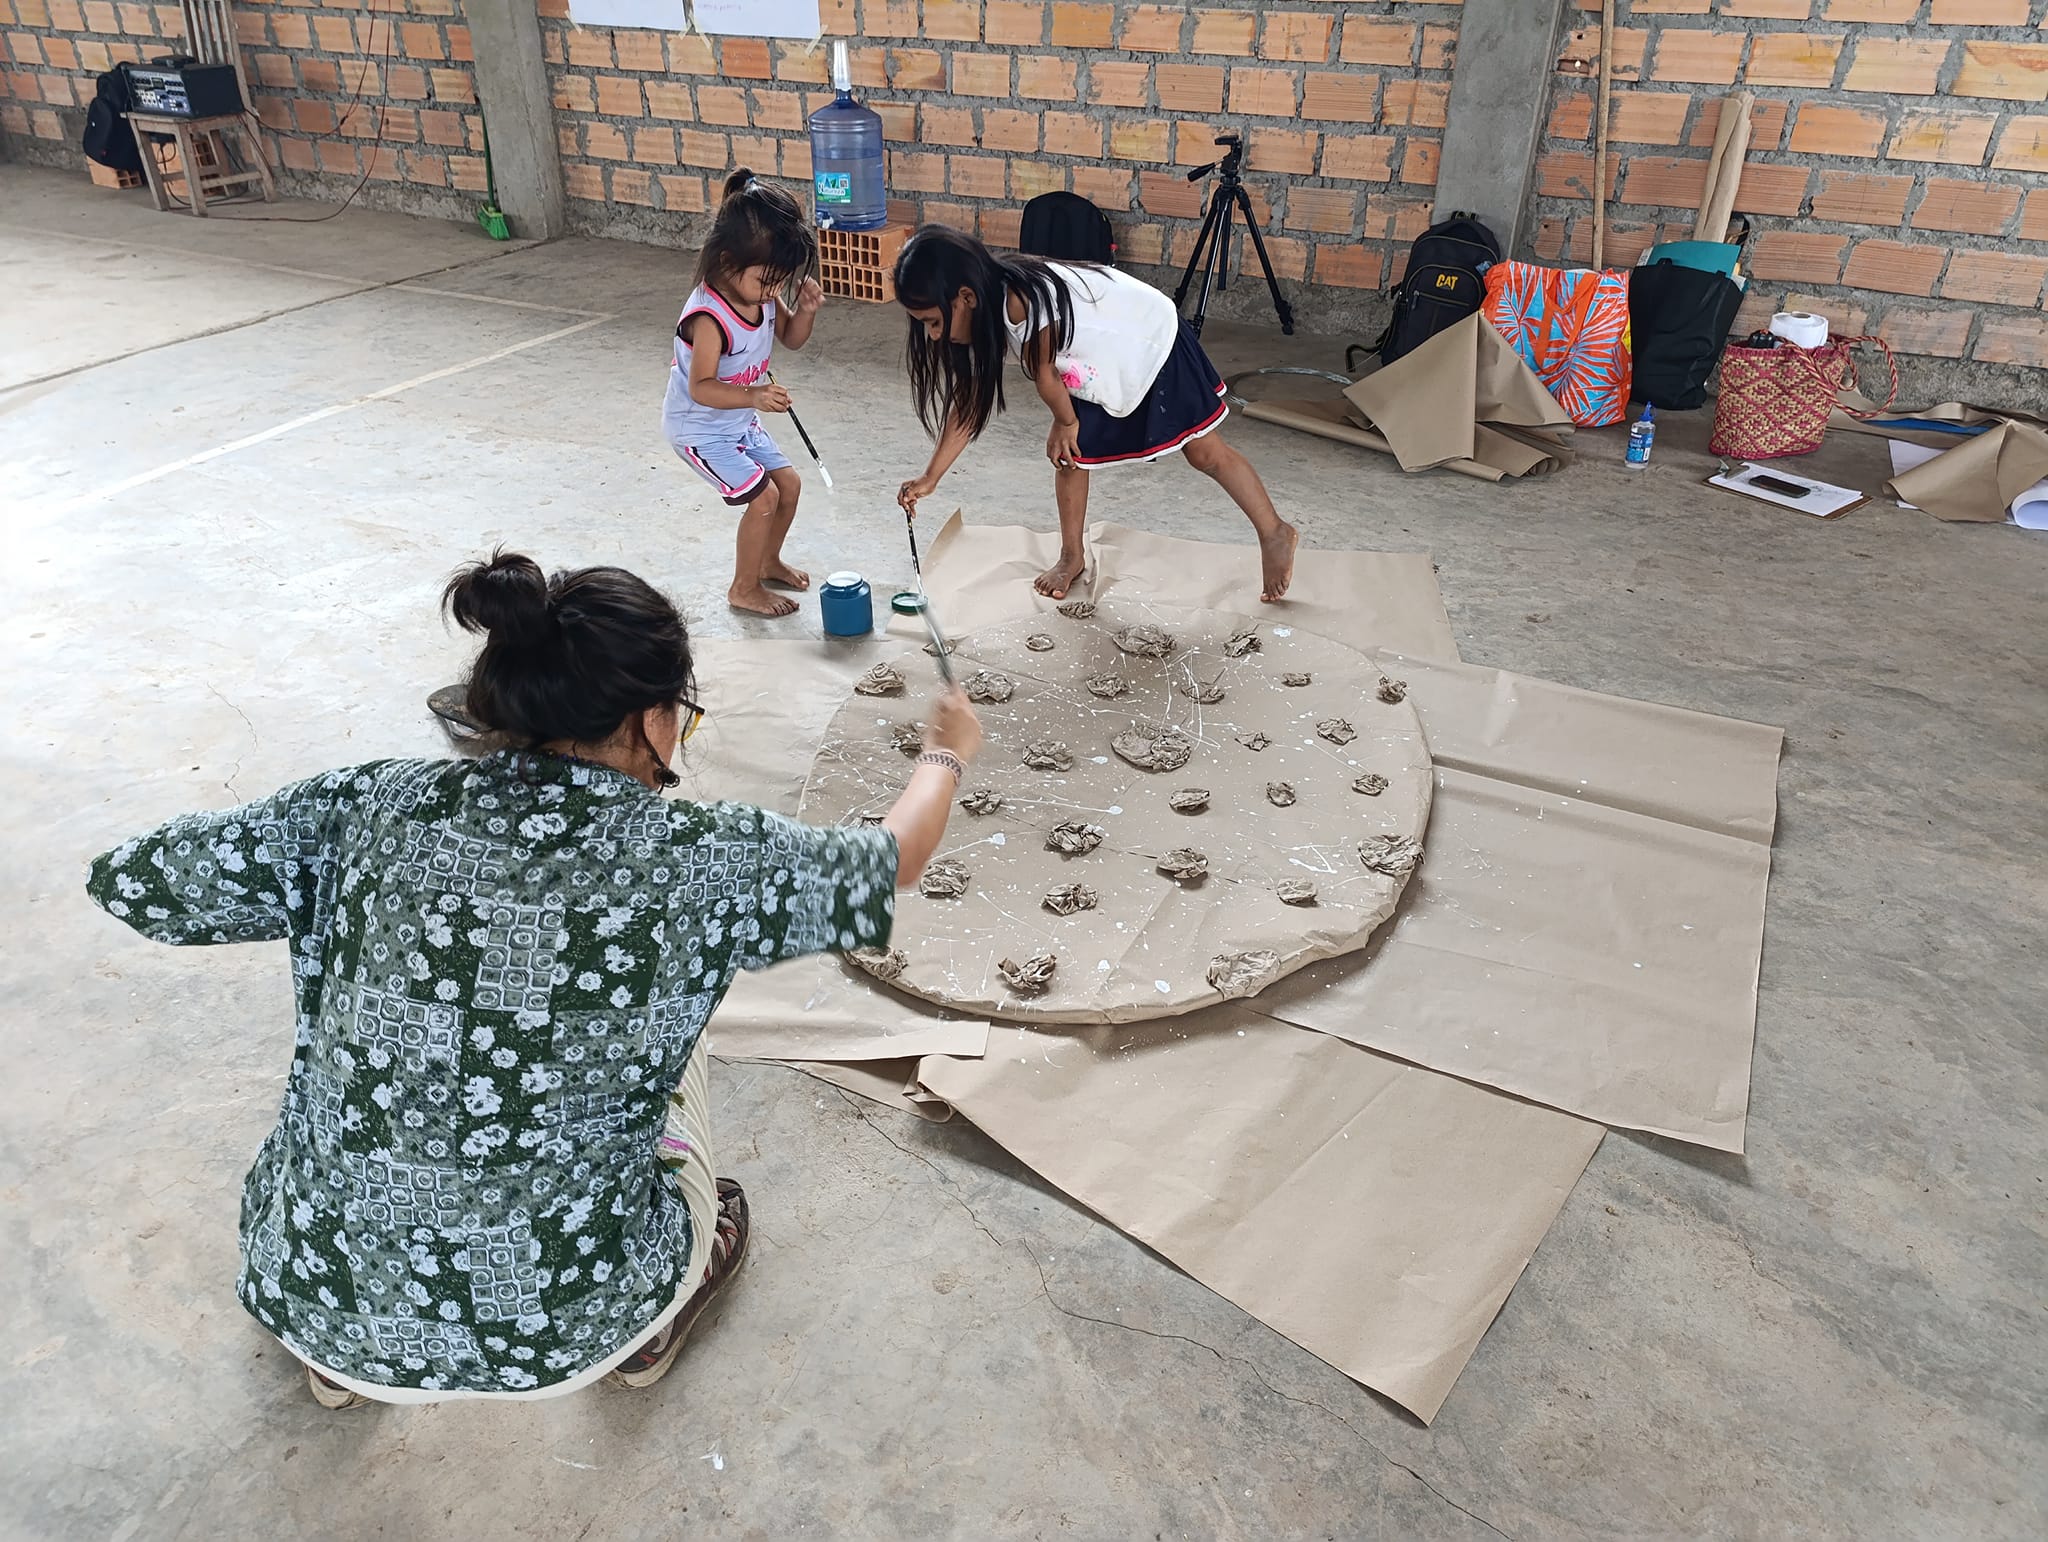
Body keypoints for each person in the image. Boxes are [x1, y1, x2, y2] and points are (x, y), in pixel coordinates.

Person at [84, 551, 982, 1407]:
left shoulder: (369, 803)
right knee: (688, 1027)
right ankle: (648, 1334)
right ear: (652, 720)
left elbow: (133, 881)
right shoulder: (703, 864)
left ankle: (345, 1364)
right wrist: (944, 752)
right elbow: (894, 860)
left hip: (320, 1291)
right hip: (568, 1322)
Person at [890, 224, 1299, 605]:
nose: (933, 335)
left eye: (933, 322)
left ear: (966, 297)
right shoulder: (989, 296)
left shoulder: (1019, 301)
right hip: (1094, 356)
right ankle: (1072, 556)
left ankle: (1274, 530)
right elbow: (970, 400)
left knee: (1203, 452)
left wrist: (1065, 421)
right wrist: (931, 477)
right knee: (1071, 452)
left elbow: (1046, 374)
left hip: (1146, 338)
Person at [664, 169, 824, 618]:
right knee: (763, 498)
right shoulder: (709, 317)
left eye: (780, 283)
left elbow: (791, 337)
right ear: (726, 260)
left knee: (788, 484)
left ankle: (768, 560)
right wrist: (755, 396)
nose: (774, 292)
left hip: (736, 420)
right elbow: (701, 387)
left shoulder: (762, 293)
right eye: (766, 282)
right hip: (699, 429)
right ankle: (743, 587)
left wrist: (807, 311)